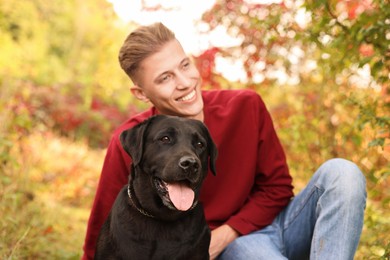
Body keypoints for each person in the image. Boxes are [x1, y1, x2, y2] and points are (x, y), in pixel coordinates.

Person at [82, 22, 366, 260]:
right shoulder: (132, 139)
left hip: (275, 227)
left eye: (184, 65)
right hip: (234, 250)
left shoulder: (245, 105)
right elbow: (102, 233)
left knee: (344, 173)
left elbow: (278, 188)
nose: (184, 82)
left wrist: (225, 233)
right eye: (165, 78)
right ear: (141, 93)